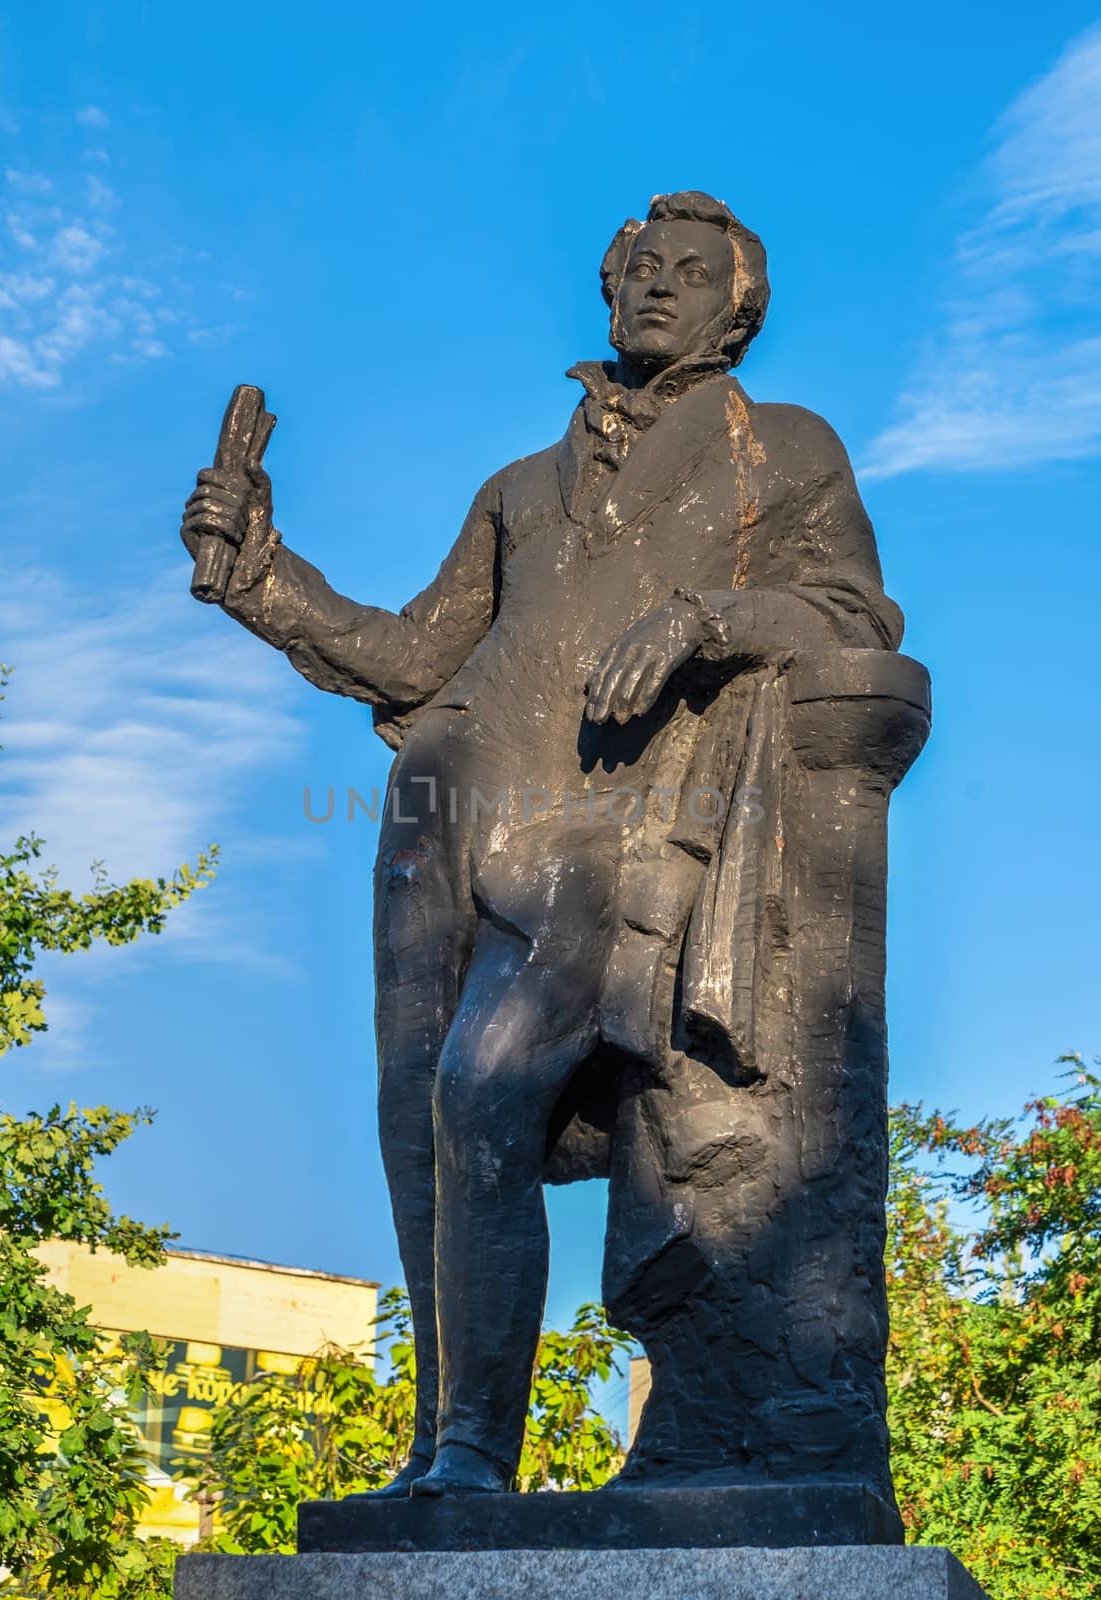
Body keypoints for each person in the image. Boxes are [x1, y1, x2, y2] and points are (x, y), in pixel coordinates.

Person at [181, 191, 902, 1497]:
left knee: (480, 1093)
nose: (661, 288)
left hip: (608, 836)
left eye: (694, 274)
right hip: (441, 821)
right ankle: (451, 1451)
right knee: (422, 1127)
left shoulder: (783, 450)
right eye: (643, 268)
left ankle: (467, 1447)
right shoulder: (520, 487)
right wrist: (260, 572)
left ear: (740, 311)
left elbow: (852, 617)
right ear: (611, 286)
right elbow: (411, 653)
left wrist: (705, 616)